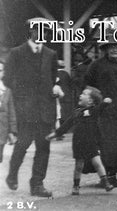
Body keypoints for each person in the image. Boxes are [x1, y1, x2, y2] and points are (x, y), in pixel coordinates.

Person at [4, 17, 63, 197]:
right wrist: (22, 97)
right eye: (38, 30)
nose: (41, 34)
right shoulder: (16, 53)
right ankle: (12, 175)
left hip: (45, 110)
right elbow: (7, 79)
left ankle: (37, 184)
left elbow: (53, 79)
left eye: (45, 31)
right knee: (22, 144)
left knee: (43, 148)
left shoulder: (51, 54)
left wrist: (53, 89)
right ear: (30, 31)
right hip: (24, 110)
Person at [84, 34, 117, 187]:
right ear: (106, 49)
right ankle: (105, 176)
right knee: (106, 143)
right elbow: (87, 84)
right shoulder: (97, 65)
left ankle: (112, 175)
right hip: (104, 110)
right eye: (112, 46)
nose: (115, 49)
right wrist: (96, 99)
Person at [46, 86, 114, 195]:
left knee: (97, 162)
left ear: (91, 101)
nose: (80, 95)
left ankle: (106, 182)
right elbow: (66, 125)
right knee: (79, 166)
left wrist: (105, 102)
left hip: (91, 142)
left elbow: (100, 107)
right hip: (78, 143)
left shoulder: (93, 111)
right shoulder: (76, 112)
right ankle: (76, 186)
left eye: (84, 94)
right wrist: (55, 134)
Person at [0, 60, 17, 163]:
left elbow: (12, 113)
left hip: (2, 132)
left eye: (0, 70)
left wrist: (12, 131)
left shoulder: (7, 91)